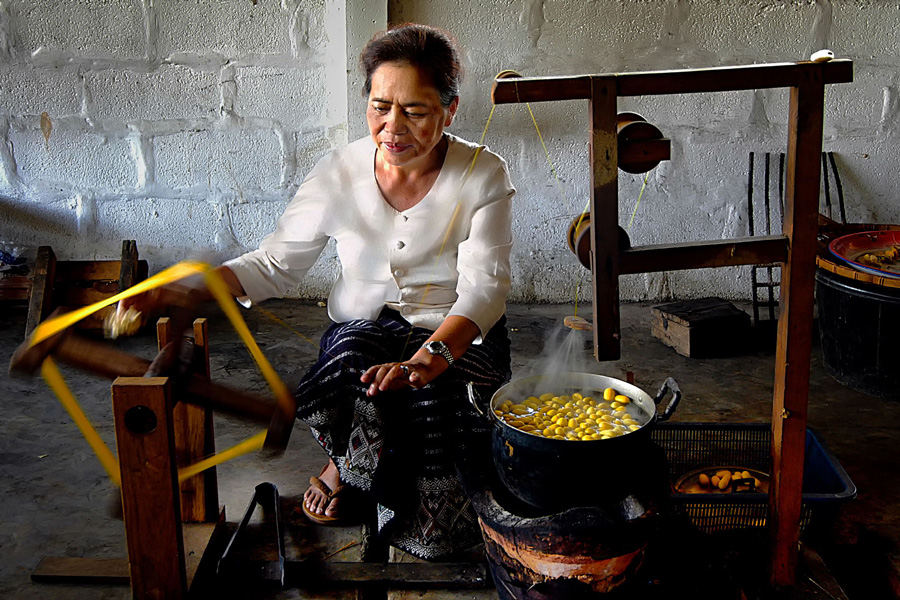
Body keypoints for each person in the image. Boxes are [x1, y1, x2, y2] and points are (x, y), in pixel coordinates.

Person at [120, 23, 514, 560]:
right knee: (350, 359)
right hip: (367, 330)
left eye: (415, 111)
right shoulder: (338, 173)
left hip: (457, 337)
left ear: (449, 110)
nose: (392, 127)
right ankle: (349, 465)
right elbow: (276, 263)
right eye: (379, 107)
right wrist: (186, 288)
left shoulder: (484, 174)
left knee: (430, 417)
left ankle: (379, 480)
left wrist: (428, 359)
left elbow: (484, 292)